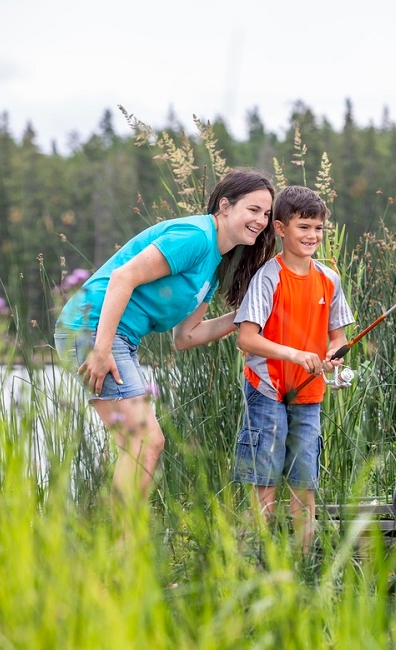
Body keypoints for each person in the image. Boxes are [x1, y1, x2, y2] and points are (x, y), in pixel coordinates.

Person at [54, 169, 277, 505]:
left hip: (120, 339)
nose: (261, 221)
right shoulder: (195, 236)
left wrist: (250, 314)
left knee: (137, 445)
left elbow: (186, 336)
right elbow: (122, 277)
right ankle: (124, 543)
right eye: (253, 209)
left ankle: (117, 541)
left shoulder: (212, 266)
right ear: (226, 206)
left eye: (267, 214)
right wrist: (100, 349)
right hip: (91, 327)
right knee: (145, 440)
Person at [232, 185, 354, 554]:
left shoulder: (328, 279)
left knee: (305, 481)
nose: (312, 236)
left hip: (310, 394)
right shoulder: (268, 277)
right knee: (264, 480)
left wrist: (334, 355)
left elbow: (338, 338)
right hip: (266, 389)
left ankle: (304, 562)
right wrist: (296, 354)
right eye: (303, 227)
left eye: (318, 228)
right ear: (280, 229)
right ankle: (253, 561)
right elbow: (247, 339)